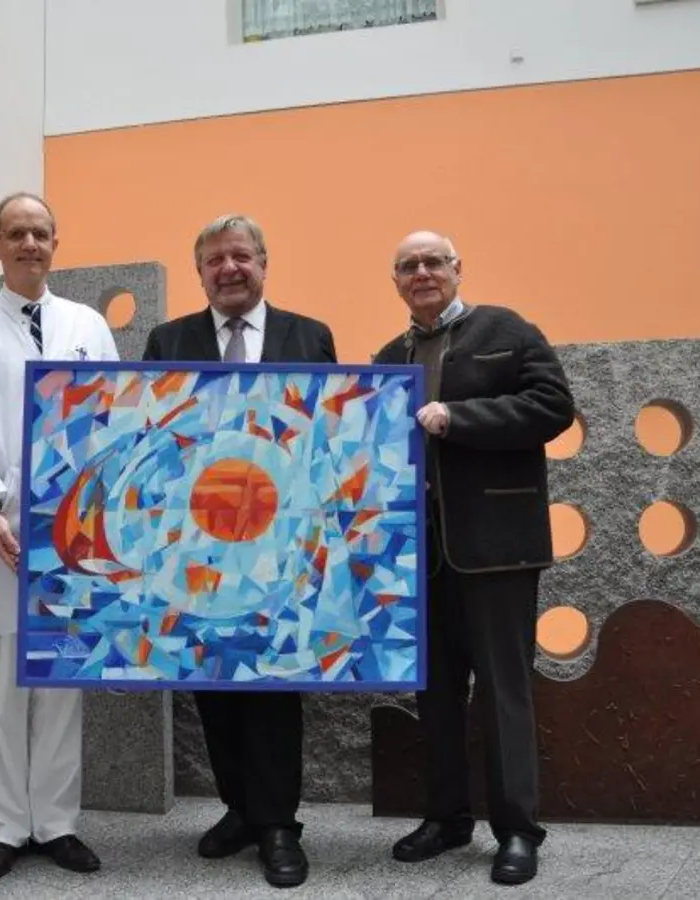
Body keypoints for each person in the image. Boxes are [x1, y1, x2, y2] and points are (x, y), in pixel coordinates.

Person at [371, 230, 574, 885]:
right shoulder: (388, 354)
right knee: (434, 694)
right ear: (396, 281)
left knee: (503, 693)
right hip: (420, 554)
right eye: (408, 266)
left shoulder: (506, 330)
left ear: (458, 269)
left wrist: (458, 419)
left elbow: (552, 408)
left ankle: (517, 831)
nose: (422, 273)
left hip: (497, 550)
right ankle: (446, 818)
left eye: (433, 262)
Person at [142, 213, 336, 888]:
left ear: (263, 263)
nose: (230, 268)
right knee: (210, 680)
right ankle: (240, 810)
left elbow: (331, 432)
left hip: (283, 545)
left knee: (277, 683)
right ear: (200, 273)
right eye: (215, 260)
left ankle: (279, 825)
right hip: (196, 545)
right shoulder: (169, 340)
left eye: (241, 256)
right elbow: (151, 434)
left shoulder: (310, 336)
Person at [0, 191, 117, 883]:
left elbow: (111, 418)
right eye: (16, 234)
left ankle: (59, 823)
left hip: (76, 534)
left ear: (55, 243)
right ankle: (6, 828)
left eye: (41, 233)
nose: (30, 244)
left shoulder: (87, 323)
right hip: (2, 534)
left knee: (64, 676)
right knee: (8, 683)